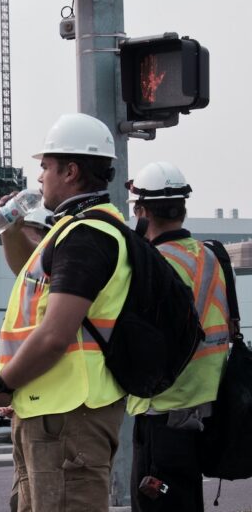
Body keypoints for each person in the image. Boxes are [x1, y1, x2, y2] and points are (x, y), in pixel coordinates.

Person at [0, 114, 130, 512]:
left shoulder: (87, 236)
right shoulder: (72, 230)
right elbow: (29, 274)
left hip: (69, 414)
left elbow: (54, 336)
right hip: (52, 410)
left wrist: (2, 383)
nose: (40, 176)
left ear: (71, 170)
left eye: (45, 166)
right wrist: (12, 229)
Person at [125, 162, 231, 512]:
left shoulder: (153, 263)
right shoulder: (212, 256)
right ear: (182, 208)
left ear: (141, 212)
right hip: (205, 410)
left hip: (163, 411)